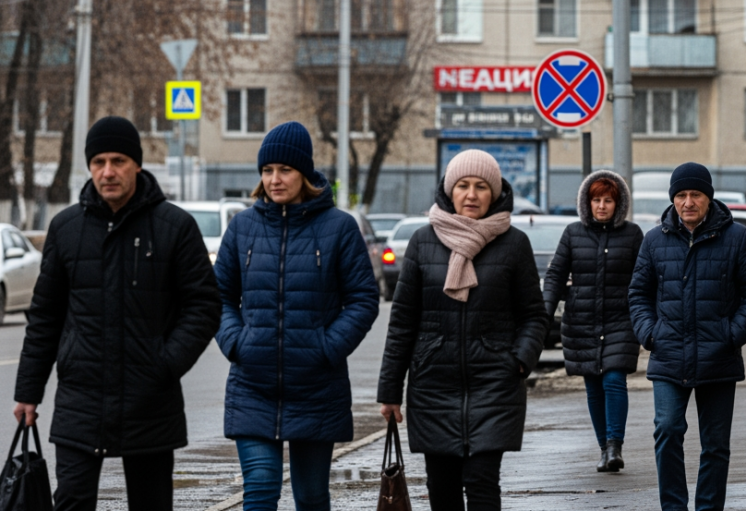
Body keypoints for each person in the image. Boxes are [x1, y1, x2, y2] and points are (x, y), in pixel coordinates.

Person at [13, 116, 221, 511]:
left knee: (151, 504)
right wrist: (28, 391)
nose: (108, 172)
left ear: (138, 164)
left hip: (149, 403)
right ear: (90, 166)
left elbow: (204, 305)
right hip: (80, 401)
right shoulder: (66, 228)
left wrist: (165, 362)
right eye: (99, 162)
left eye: (119, 161)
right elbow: (45, 315)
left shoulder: (174, 227)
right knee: (71, 501)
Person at [214, 121, 380, 510]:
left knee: (311, 498)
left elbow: (363, 299)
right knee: (259, 491)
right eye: (267, 170)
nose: (274, 179)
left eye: (285, 170)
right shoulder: (242, 228)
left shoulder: (339, 228)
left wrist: (327, 346)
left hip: (316, 387)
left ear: (304, 173)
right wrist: (236, 342)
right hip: (252, 385)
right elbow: (218, 296)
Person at [378, 149, 549, 511]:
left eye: (481, 186)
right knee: (442, 489)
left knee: (482, 481)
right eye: (463, 185)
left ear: (496, 192)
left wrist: (519, 361)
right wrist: (389, 391)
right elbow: (403, 322)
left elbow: (534, 315)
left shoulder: (514, 243)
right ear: (448, 191)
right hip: (432, 386)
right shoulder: (424, 242)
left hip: (495, 385)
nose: (471, 194)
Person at [628, 162, 746, 511]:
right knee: (668, 429)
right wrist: (650, 333)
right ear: (673, 199)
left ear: (709, 198)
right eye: (681, 195)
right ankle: (673, 507)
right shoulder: (654, 240)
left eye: (695, 195)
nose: (688, 202)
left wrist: (732, 334)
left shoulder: (738, 238)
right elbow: (638, 295)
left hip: (718, 355)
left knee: (716, 445)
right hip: (668, 354)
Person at [543, 170, 644, 473]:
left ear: (619, 203)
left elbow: (645, 278)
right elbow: (555, 276)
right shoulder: (573, 233)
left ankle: (615, 444)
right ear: (587, 203)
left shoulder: (632, 235)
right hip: (582, 322)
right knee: (593, 386)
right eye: (596, 200)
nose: (602, 206)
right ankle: (604, 449)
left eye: (608, 200)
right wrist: (544, 314)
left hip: (621, 321)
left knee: (614, 379)